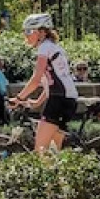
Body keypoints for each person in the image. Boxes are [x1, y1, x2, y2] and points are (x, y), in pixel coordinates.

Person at [11, 13, 78, 151]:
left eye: (29, 31)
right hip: (64, 99)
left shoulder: (45, 48)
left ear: (41, 32)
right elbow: (51, 83)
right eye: (25, 32)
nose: (26, 35)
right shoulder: (51, 46)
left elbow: (36, 80)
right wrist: (37, 102)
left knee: (40, 149)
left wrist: (19, 98)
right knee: (54, 152)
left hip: (59, 100)